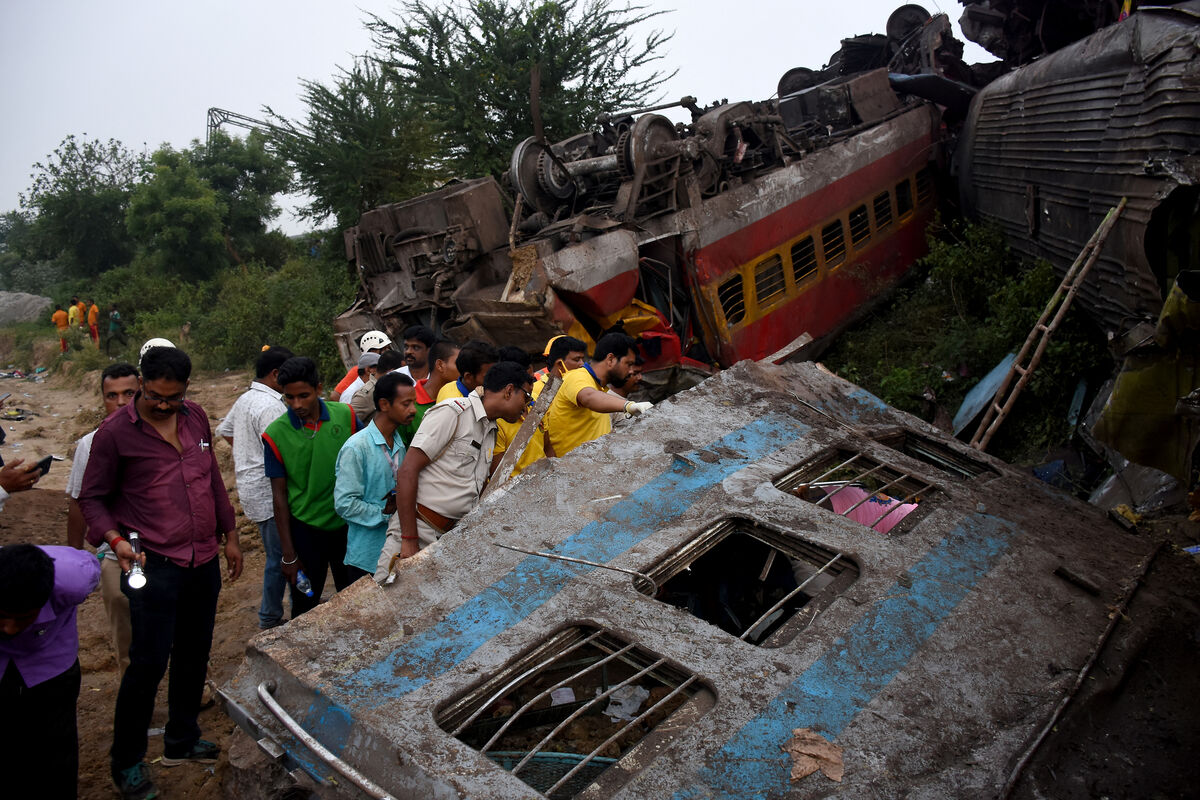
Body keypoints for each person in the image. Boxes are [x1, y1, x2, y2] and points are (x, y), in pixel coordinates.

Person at [78, 345, 242, 800]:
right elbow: (91, 498)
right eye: (155, 396)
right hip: (153, 563)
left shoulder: (195, 417)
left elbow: (211, 479)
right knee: (147, 665)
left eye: (174, 396)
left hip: (202, 561)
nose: (165, 405)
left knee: (194, 653)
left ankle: (181, 740)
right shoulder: (113, 434)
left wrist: (229, 533)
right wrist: (114, 541)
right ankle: (127, 762)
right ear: (142, 384)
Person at [375, 361, 532, 576]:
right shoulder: (453, 413)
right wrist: (409, 541)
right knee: (387, 602)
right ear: (509, 391)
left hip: (446, 540)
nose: (526, 406)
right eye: (526, 397)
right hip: (419, 530)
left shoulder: (491, 429)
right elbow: (407, 471)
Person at [0, 544, 100, 799]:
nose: (10, 629)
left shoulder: (74, 579)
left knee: (56, 752)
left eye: (23, 618)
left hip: (52, 665)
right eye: (2, 617)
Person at [262, 357, 358, 618]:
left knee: (356, 598)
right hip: (306, 531)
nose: (297, 405)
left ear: (318, 388)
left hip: (347, 526)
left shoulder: (346, 416)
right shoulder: (275, 434)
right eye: (289, 398)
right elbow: (279, 497)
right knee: (305, 606)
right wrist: (289, 554)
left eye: (303, 396)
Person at [65, 362, 140, 672]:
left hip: (166, 552)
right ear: (102, 399)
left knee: (178, 627)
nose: (120, 402)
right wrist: (72, 555)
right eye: (111, 395)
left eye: (128, 393)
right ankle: (134, 704)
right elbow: (78, 501)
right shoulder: (89, 444)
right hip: (114, 554)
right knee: (125, 635)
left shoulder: (162, 435)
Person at [214, 346, 294, 629]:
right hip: (268, 490)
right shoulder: (271, 406)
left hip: (251, 487)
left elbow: (225, 430)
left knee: (277, 553)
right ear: (276, 375)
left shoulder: (247, 398)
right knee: (282, 555)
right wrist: (259, 458)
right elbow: (283, 451)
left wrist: (246, 456)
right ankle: (270, 617)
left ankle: (276, 613)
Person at [335, 372, 417, 581]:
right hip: (366, 557)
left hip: (395, 551)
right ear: (384, 404)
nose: (413, 410)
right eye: (406, 404)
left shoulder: (399, 443)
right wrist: (385, 514)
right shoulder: (356, 447)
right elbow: (344, 503)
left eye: (414, 403)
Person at [545, 332, 652, 458]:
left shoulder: (600, 387)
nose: (630, 371)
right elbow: (589, 397)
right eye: (628, 364)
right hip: (571, 471)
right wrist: (628, 406)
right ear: (611, 359)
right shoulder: (577, 377)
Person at [491, 346, 549, 476]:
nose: (532, 385)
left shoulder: (536, 406)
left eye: (532, 380)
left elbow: (548, 449)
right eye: (528, 380)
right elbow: (498, 476)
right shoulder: (497, 421)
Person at [398, 339, 459, 446]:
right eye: (459, 363)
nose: (465, 369)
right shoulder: (408, 406)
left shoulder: (461, 398)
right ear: (440, 365)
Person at [331, 330, 393, 401]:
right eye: (384, 349)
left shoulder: (390, 369)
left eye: (388, 348)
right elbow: (335, 396)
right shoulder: (357, 371)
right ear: (372, 351)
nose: (387, 352)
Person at [351, 349, 406, 426]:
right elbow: (349, 424)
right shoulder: (366, 395)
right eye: (403, 370)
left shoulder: (392, 388)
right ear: (391, 371)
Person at [609, 354, 645, 430]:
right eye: (635, 374)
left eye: (640, 373)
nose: (640, 377)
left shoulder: (624, 400)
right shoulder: (607, 404)